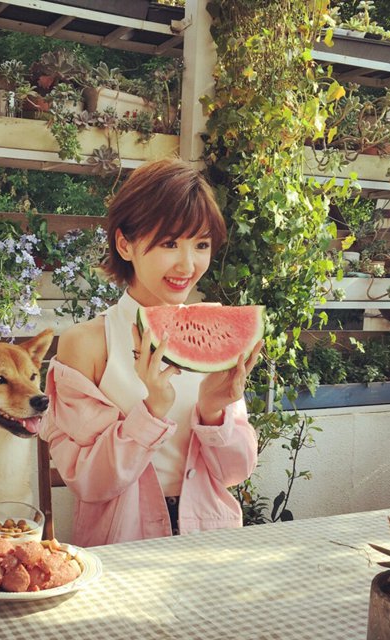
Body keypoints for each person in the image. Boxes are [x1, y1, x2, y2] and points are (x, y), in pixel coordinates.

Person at [39, 158, 263, 547]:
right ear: (125, 244)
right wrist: (150, 413)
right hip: (123, 545)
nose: (188, 264)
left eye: (201, 244)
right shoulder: (88, 343)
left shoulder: (213, 332)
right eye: (169, 243)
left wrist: (214, 412)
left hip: (211, 542)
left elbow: (235, 473)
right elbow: (87, 481)